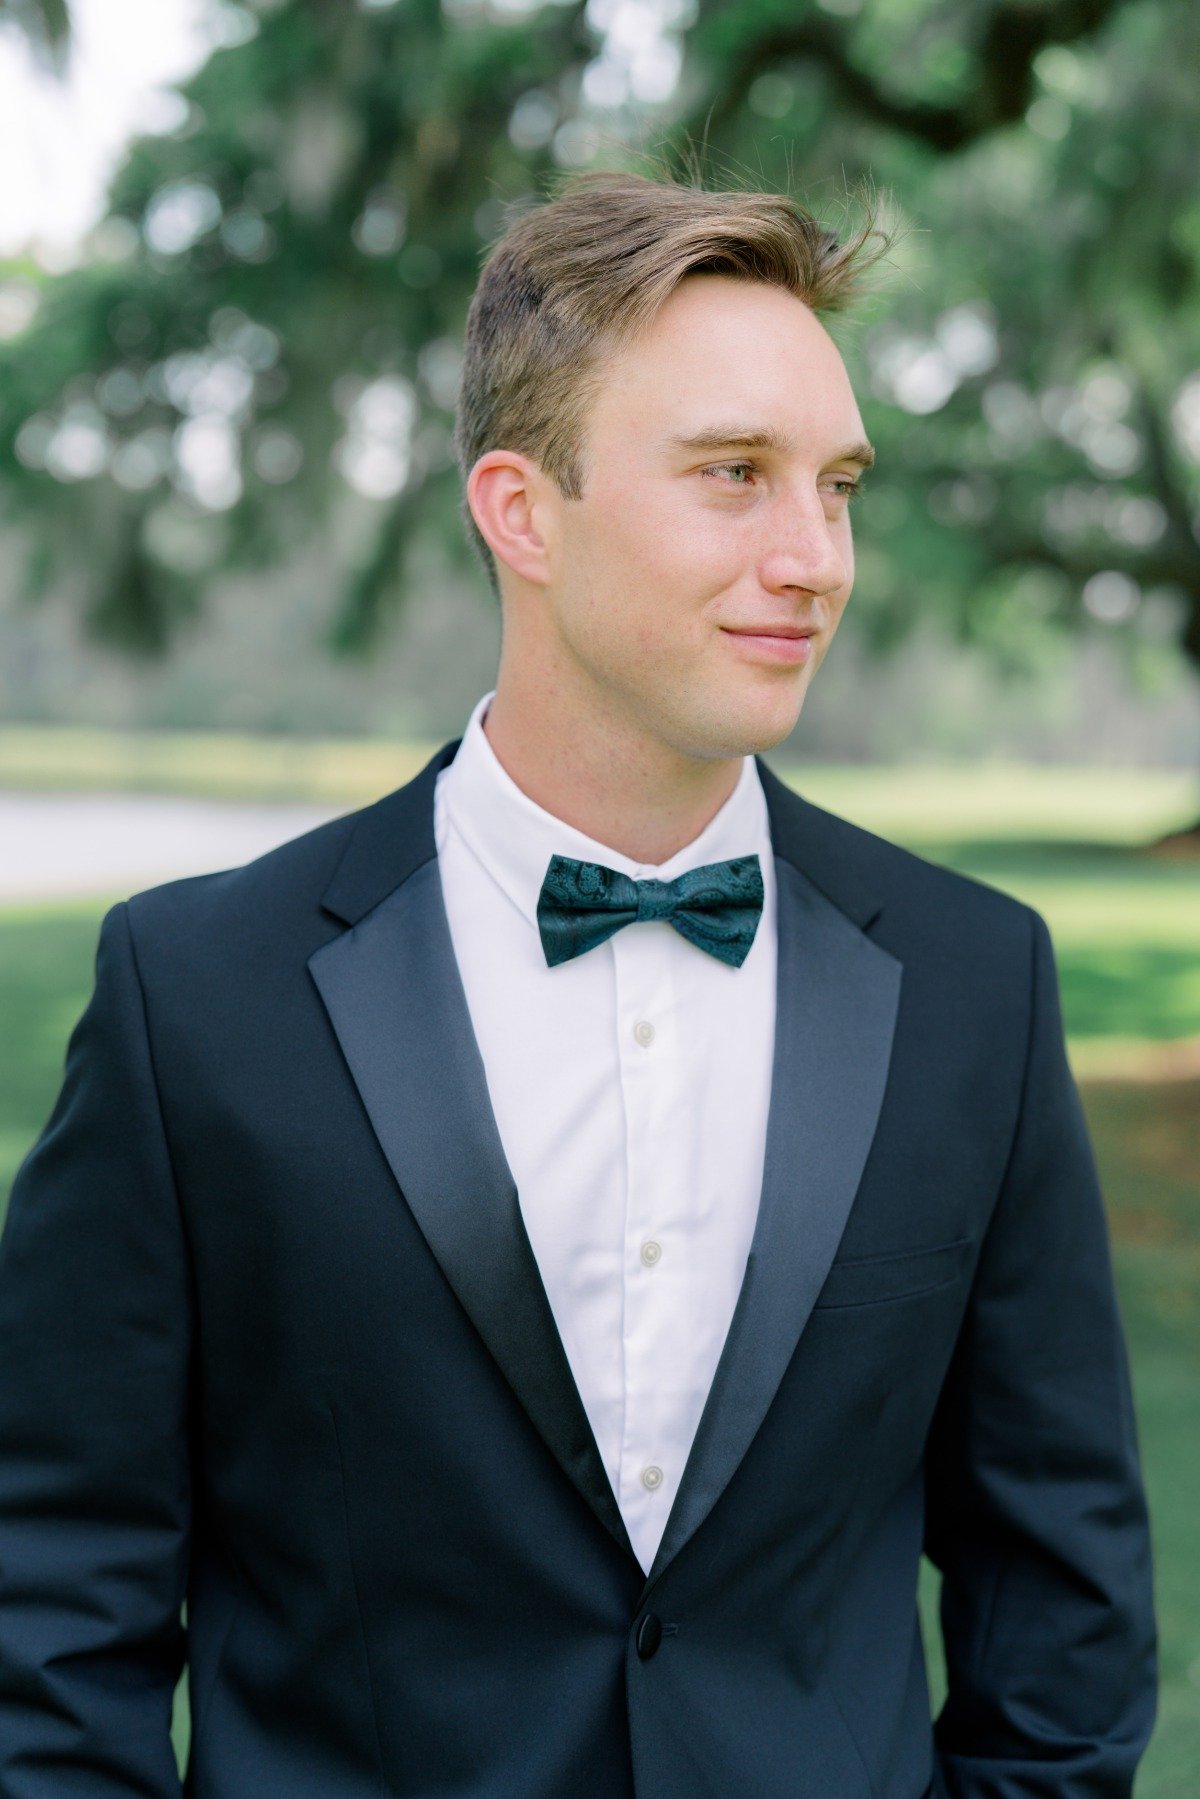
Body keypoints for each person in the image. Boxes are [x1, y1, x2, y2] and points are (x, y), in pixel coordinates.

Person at [0, 169, 1156, 1797]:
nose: (814, 557)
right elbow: (53, 1608)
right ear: (521, 511)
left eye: (837, 487)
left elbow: (1066, 1603)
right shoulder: (195, 995)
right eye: (734, 477)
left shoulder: (975, 983)